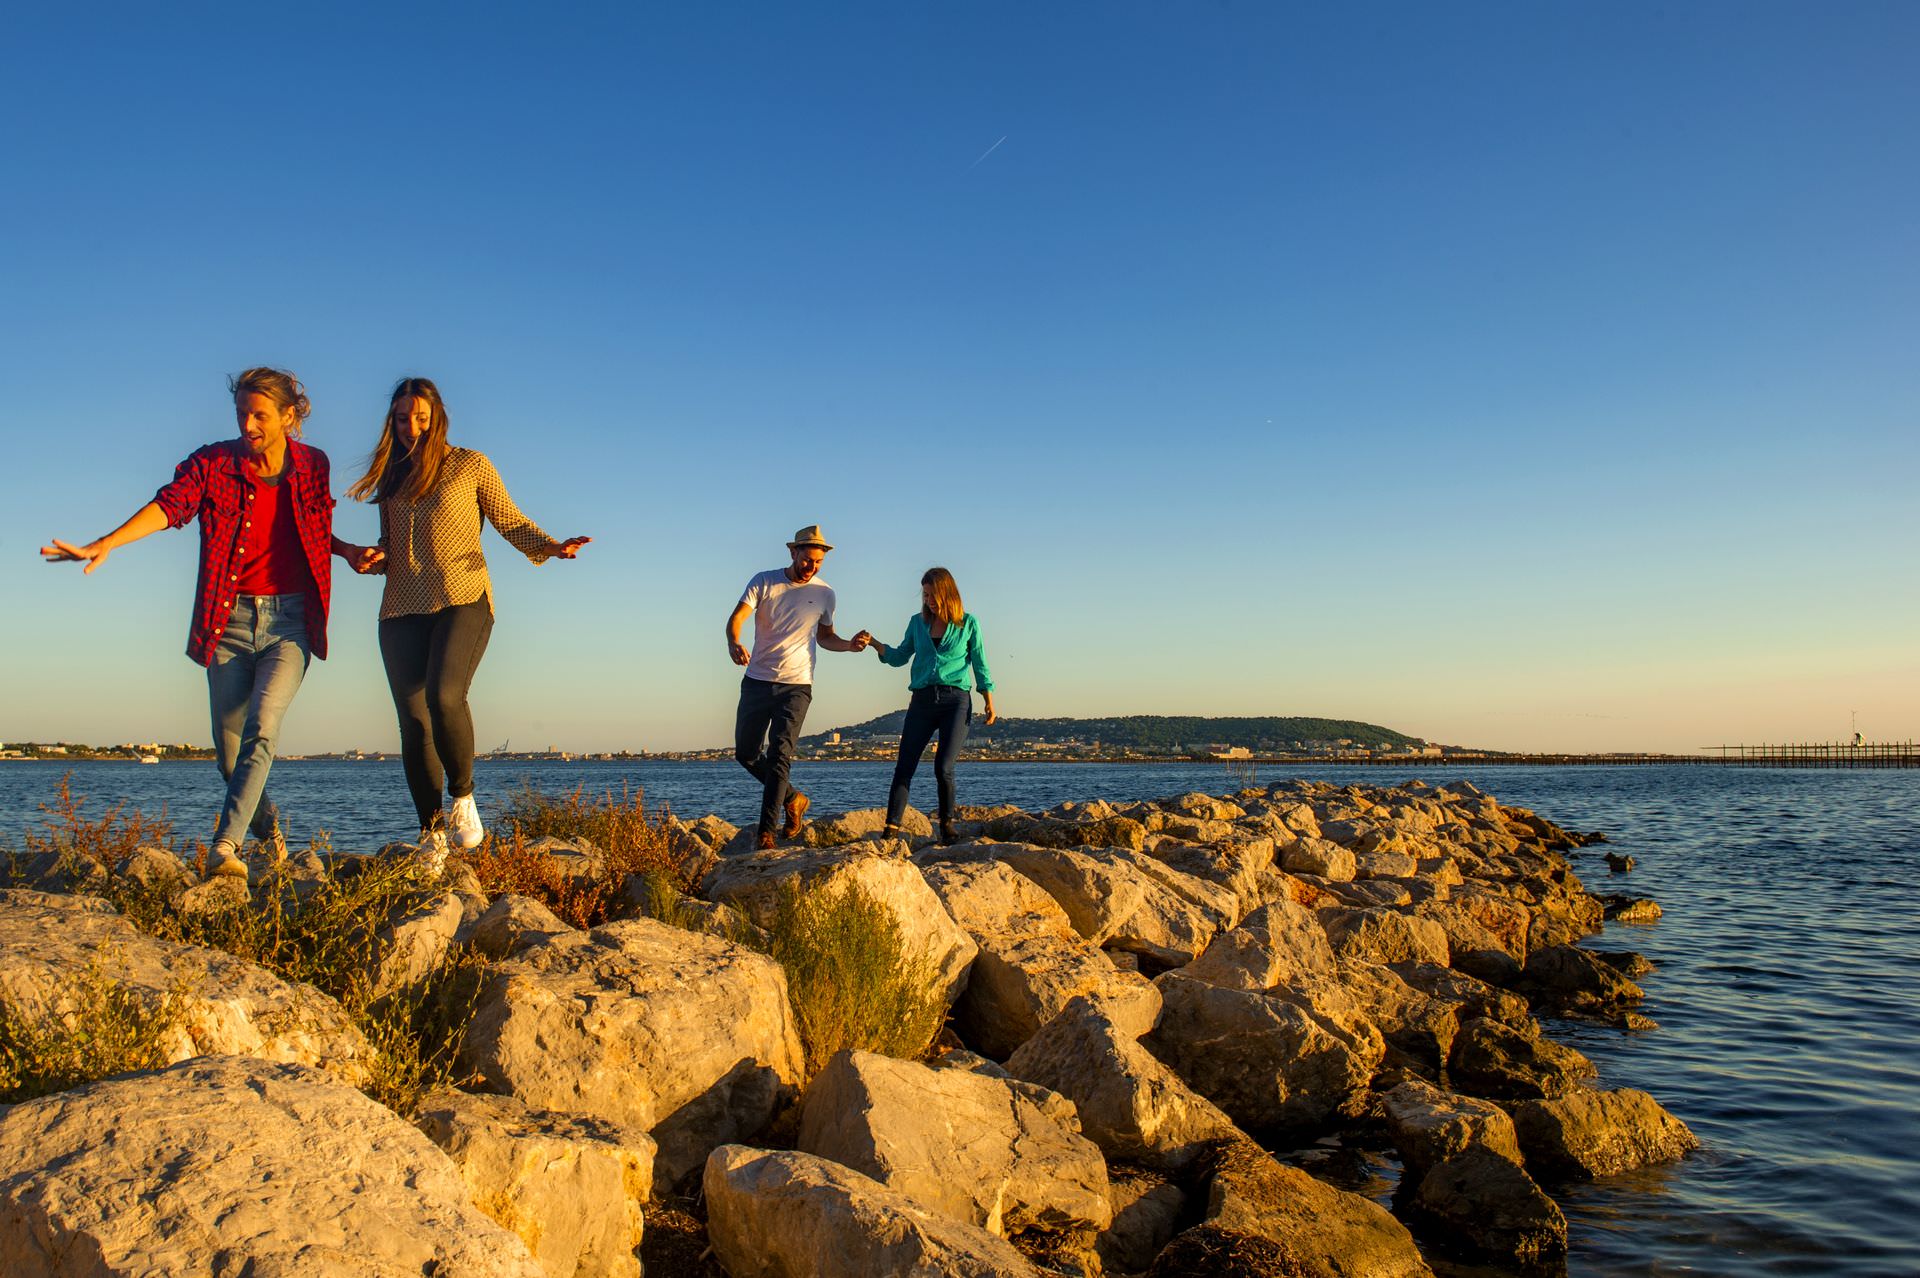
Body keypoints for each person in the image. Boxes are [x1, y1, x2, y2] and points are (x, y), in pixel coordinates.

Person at [40, 368, 383, 880]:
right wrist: (107, 541)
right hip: (228, 620)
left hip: (290, 621)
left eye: (260, 414)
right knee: (229, 756)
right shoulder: (212, 463)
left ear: (289, 417)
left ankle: (224, 847)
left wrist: (348, 549)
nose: (248, 423)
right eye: (242, 412)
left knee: (263, 728)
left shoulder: (314, 465)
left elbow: (313, 527)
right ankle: (270, 834)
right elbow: (168, 506)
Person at [346, 377, 589, 860]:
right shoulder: (392, 476)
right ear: (390, 421)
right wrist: (375, 558)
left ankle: (463, 798)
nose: (411, 427)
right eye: (401, 419)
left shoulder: (469, 464)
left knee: (443, 695)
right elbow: (397, 549)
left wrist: (551, 547)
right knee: (413, 723)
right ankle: (431, 836)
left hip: (463, 597)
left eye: (420, 418)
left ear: (437, 418)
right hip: (399, 606)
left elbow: (509, 520)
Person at [725, 526, 871, 849]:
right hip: (757, 680)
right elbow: (737, 618)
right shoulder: (764, 581)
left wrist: (849, 646)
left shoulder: (825, 594)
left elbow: (825, 636)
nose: (812, 567)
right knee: (746, 753)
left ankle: (767, 833)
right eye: (807, 560)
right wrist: (733, 641)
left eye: (818, 562)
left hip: (797, 684)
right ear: (793, 553)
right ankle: (793, 798)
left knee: (780, 753)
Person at [871, 567, 996, 844]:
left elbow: (980, 662)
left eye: (933, 594)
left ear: (947, 593)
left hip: (956, 701)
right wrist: (875, 644)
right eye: (925, 595)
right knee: (905, 765)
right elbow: (900, 656)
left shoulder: (968, 623)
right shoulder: (917, 622)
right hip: (922, 701)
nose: (928, 600)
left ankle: (947, 825)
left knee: (943, 767)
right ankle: (892, 828)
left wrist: (988, 699)